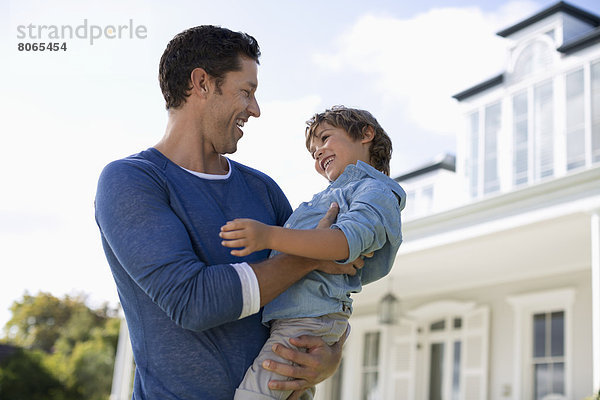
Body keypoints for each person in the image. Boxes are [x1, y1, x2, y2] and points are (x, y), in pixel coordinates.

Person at [94, 26, 363, 400]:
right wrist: (309, 258)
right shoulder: (131, 181)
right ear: (202, 83)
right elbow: (192, 301)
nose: (255, 109)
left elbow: (319, 292)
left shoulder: (263, 189)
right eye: (246, 92)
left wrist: (333, 353)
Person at [220, 106, 406, 400]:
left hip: (308, 320)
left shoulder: (375, 191)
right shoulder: (334, 195)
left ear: (366, 134)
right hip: (300, 318)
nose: (318, 152)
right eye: (313, 151)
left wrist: (268, 235)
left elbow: (345, 242)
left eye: (326, 138)